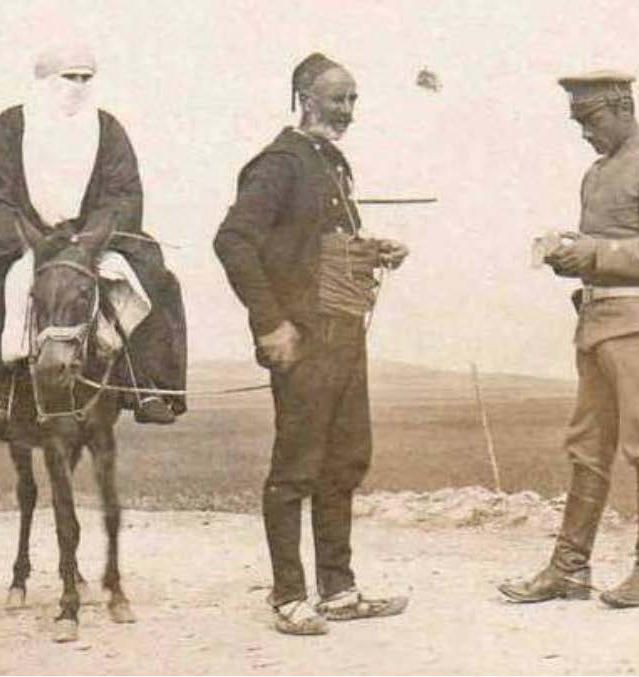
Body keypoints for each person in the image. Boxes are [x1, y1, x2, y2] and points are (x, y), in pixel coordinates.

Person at [213, 52, 410, 635]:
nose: (347, 110)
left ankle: (339, 590)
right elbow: (233, 242)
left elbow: (316, 243)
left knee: (344, 459)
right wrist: (272, 323)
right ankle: (287, 597)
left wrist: (372, 250)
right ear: (304, 95)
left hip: (344, 334)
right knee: (296, 467)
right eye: (336, 99)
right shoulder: (278, 165)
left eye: (352, 99)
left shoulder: (331, 164)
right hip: (303, 339)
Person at [498, 71, 639, 608]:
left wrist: (586, 251)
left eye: (591, 119)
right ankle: (569, 569)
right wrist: (566, 257)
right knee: (586, 448)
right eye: (578, 121)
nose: (584, 131)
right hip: (598, 324)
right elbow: (601, 257)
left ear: (623, 108)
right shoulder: (599, 173)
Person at [0, 43, 187, 436]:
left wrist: (92, 236)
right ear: (46, 81)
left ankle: (144, 383)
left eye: (86, 78)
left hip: (90, 239)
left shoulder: (107, 128)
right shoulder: (12, 126)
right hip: (26, 239)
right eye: (69, 77)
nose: (78, 86)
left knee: (151, 278)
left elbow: (123, 191)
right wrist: (26, 237)